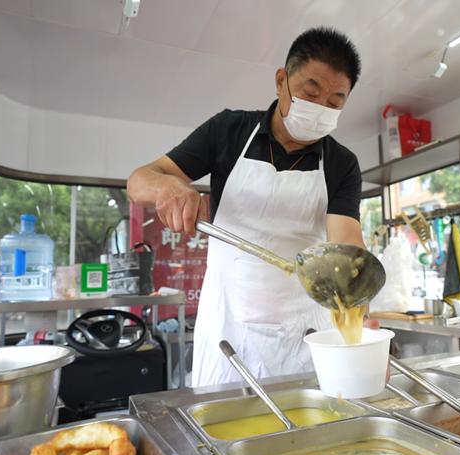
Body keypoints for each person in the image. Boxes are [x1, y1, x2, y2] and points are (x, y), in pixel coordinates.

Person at [128, 27, 374, 387]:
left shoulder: (341, 162)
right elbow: (139, 181)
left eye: (335, 103)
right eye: (310, 93)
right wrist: (169, 186)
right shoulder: (228, 130)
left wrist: (358, 304)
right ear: (281, 81)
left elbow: (346, 243)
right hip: (229, 330)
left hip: (305, 332)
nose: (321, 109)